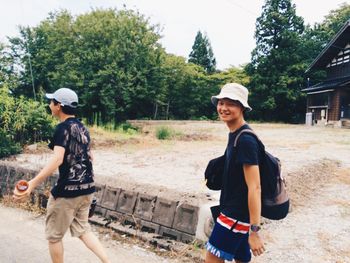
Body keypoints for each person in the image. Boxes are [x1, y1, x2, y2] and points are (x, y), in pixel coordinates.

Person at [13, 88, 111, 263]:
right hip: (88, 189)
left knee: (54, 237)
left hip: (67, 193)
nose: (49, 105)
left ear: (59, 106)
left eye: (52, 102)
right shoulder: (83, 127)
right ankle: (107, 261)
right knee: (83, 230)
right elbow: (91, 157)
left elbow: (57, 159)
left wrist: (33, 183)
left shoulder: (62, 129)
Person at [205, 83, 265, 263]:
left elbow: (255, 187)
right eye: (221, 102)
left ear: (242, 107)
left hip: (235, 215)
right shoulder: (235, 133)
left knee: (211, 259)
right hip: (234, 211)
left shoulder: (246, 140)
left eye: (230, 103)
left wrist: (254, 231)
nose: (223, 108)